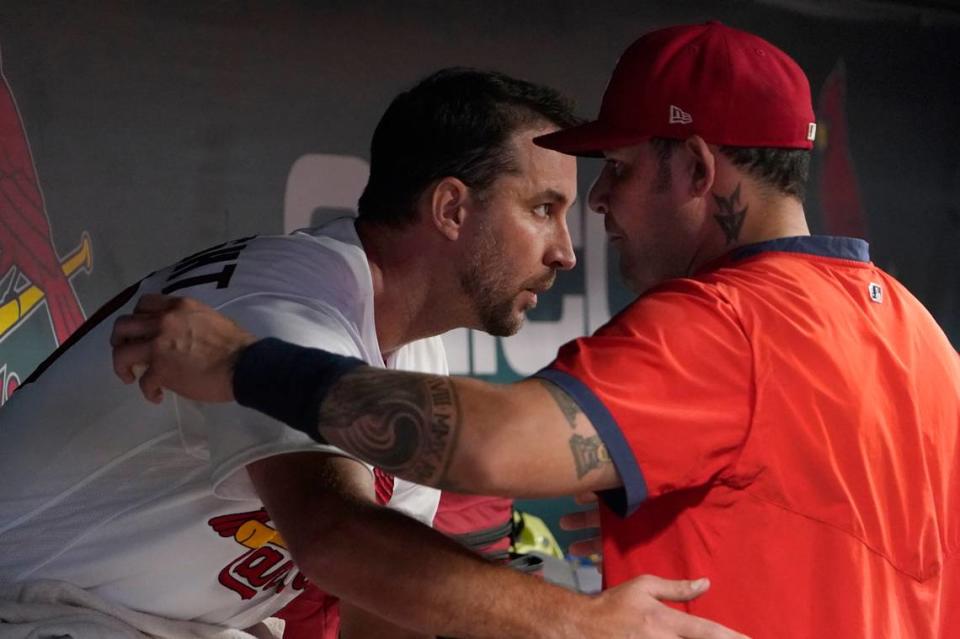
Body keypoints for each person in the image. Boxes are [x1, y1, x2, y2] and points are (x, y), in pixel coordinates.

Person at [114, 22, 960, 639]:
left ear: (698, 169)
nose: (598, 206)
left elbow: (492, 444)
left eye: (618, 171)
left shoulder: (729, 321)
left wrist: (244, 365)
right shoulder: (925, 340)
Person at [0, 67, 741, 639]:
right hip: (39, 607)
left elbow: (377, 599)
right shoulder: (290, 308)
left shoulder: (415, 352)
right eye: (543, 210)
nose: (565, 252)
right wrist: (583, 622)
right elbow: (337, 537)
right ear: (451, 208)